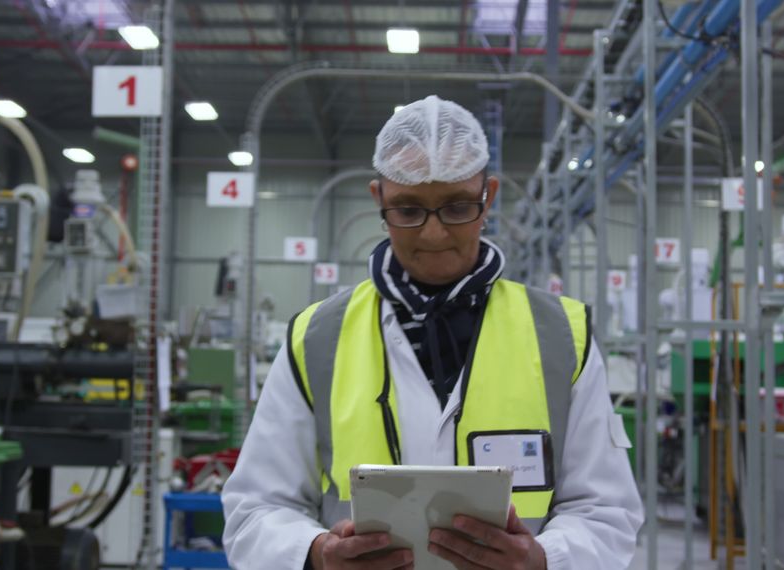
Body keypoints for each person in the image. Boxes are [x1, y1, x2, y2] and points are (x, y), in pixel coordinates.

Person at [222, 95, 643, 570]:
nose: (434, 234)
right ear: (378, 199)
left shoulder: (562, 336)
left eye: (457, 207)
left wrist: (546, 559)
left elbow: (608, 511)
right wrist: (316, 554)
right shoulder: (317, 338)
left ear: (490, 196)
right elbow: (254, 508)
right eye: (408, 210)